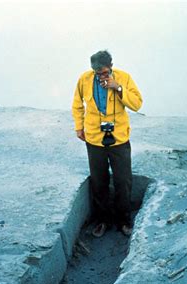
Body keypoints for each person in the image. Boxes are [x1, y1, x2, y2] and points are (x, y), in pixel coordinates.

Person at [71, 50, 143, 237]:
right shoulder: (84, 80)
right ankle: (102, 221)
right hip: (94, 139)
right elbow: (77, 104)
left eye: (104, 72)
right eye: (97, 73)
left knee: (123, 180)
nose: (101, 76)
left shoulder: (124, 78)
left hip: (118, 139)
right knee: (99, 182)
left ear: (111, 66)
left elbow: (137, 104)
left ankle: (124, 221)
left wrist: (118, 88)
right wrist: (79, 127)